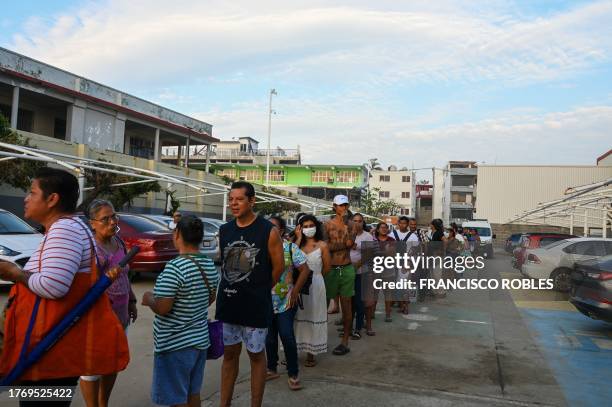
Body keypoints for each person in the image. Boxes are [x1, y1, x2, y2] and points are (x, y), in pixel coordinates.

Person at [0, 168, 129, 407]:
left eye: (32, 192)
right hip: (54, 348)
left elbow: (54, 286)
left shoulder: (64, 229)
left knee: (40, 403)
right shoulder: (71, 228)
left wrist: (14, 272)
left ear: (52, 199)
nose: (25, 198)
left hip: (49, 351)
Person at [215, 181, 284, 407]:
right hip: (229, 305)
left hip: (256, 307)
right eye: (231, 199)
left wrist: (260, 289)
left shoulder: (268, 231)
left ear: (252, 201)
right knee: (230, 356)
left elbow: (278, 267)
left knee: (256, 356)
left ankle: (256, 404)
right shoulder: (225, 231)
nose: (234, 204)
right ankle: (224, 403)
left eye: (239, 199)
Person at [142, 215, 218, 407]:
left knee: (176, 399)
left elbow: (163, 307)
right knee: (193, 393)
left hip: (174, 345)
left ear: (177, 235)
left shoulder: (175, 268)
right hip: (199, 343)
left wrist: (149, 298)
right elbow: (211, 298)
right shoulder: (209, 265)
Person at [80, 199, 138, 407]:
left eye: (114, 216)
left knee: (113, 362)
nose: (112, 222)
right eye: (106, 218)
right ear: (93, 223)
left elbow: (125, 275)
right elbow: (87, 286)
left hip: (121, 315)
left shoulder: (119, 242)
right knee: (93, 367)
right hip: (99, 318)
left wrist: (131, 300)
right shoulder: (91, 249)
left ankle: (104, 402)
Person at [265, 216, 311, 390]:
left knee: (286, 336)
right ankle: (271, 368)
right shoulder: (260, 249)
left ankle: (293, 372)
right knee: (269, 338)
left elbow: (305, 269)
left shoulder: (290, 248)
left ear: (282, 231)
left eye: (273, 227)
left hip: (286, 301)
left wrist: (296, 291)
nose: (268, 229)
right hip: (265, 301)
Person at [293, 214, 331, 366]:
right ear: (300, 228)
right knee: (297, 316)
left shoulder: (322, 245)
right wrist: (296, 238)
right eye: (305, 226)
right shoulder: (296, 245)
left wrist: (315, 279)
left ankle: (311, 353)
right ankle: (293, 351)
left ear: (316, 227)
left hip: (316, 283)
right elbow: (291, 259)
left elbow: (327, 268)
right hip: (297, 285)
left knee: (314, 315)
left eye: (311, 226)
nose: (309, 229)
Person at [323, 195, 356, 356]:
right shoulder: (327, 225)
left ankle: (345, 341)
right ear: (334, 206)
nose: (343, 208)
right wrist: (343, 244)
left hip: (347, 267)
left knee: (347, 304)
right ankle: (319, 340)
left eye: (345, 205)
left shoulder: (352, 225)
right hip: (331, 268)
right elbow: (325, 247)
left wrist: (346, 228)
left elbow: (351, 243)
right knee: (324, 304)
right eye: (340, 205)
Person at [349, 213, 375, 337]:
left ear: (363, 222)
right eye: (355, 220)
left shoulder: (367, 236)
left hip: (361, 273)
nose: (357, 223)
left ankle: (358, 328)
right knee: (349, 302)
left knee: (360, 302)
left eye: (359, 221)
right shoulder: (347, 235)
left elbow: (368, 255)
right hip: (347, 274)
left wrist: (355, 266)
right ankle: (348, 327)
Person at [373, 222, 396, 322]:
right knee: (375, 293)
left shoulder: (391, 240)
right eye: (381, 227)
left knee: (388, 292)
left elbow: (392, 254)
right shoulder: (373, 240)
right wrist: (385, 253)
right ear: (377, 229)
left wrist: (380, 253)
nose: (384, 229)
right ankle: (372, 313)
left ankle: (388, 314)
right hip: (375, 269)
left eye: (385, 227)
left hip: (388, 269)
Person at [429, 218, 447, 298]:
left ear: (434, 225)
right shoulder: (434, 232)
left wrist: (442, 251)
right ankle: (435, 291)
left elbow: (445, 241)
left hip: (437, 256)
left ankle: (441, 292)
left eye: (431, 224)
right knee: (433, 274)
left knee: (437, 274)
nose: (430, 225)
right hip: (433, 255)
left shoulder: (439, 233)